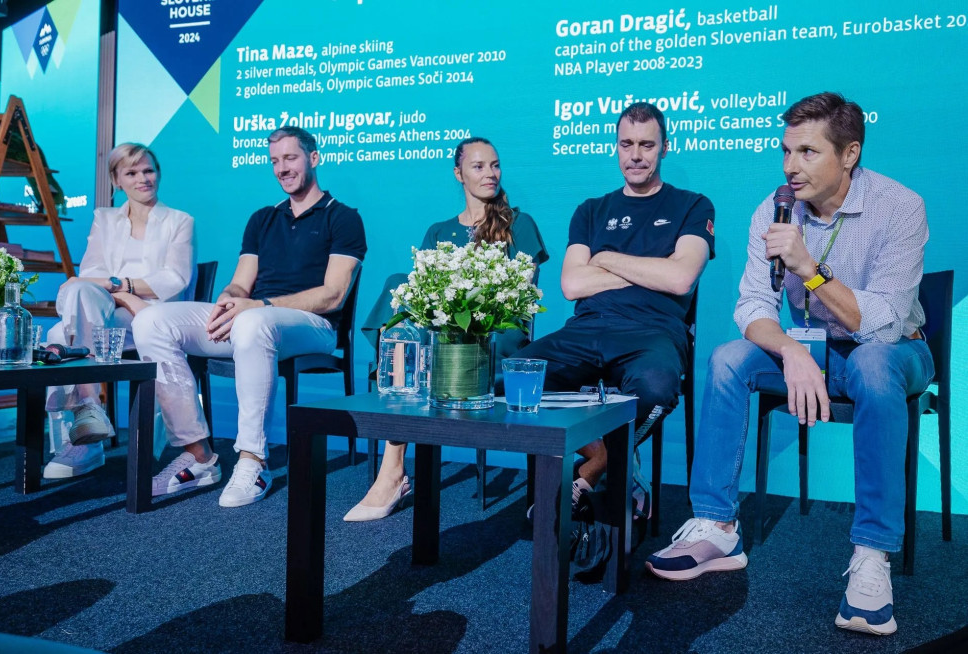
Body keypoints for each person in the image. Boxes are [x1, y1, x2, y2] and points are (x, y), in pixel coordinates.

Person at [647, 92, 933, 637]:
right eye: (785, 150)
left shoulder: (901, 207)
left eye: (806, 152)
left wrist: (812, 268)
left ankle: (872, 555)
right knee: (729, 359)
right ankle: (715, 526)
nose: (789, 166)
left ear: (849, 154)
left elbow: (886, 323)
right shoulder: (774, 209)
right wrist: (794, 351)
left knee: (873, 362)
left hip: (896, 351)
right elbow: (752, 308)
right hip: (811, 350)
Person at [131, 126, 367, 507]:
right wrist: (228, 300)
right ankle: (199, 454)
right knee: (152, 321)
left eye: (290, 158)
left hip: (315, 327)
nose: (282, 169)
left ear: (314, 157)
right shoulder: (262, 219)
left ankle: (254, 460)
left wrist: (257, 307)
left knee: (254, 322)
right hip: (255, 321)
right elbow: (241, 285)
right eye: (275, 161)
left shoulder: (342, 217)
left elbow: (333, 295)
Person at [511, 102, 714, 509]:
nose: (636, 155)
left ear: (664, 148)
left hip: (654, 333)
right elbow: (571, 284)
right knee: (514, 382)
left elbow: (680, 278)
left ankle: (597, 471)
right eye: (627, 144)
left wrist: (604, 259)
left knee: (655, 389)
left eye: (646, 145)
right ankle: (601, 459)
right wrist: (651, 269)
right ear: (616, 148)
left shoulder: (693, 205)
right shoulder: (591, 210)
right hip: (586, 329)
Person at [345, 136, 549, 522]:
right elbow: (422, 293)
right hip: (439, 335)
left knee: (414, 346)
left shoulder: (519, 224)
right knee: (397, 285)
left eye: (495, 165)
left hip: (493, 333)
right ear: (459, 174)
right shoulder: (439, 230)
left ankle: (391, 471)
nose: (490, 173)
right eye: (478, 166)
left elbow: (520, 297)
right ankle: (395, 456)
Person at [43, 143, 195, 480]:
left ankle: (86, 439)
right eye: (132, 173)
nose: (143, 178)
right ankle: (90, 411)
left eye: (148, 170)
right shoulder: (105, 219)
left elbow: (174, 279)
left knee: (58, 334)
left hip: (151, 314)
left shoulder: (179, 221)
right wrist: (123, 292)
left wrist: (119, 285)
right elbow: (88, 274)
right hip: (107, 309)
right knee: (77, 294)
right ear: (117, 180)